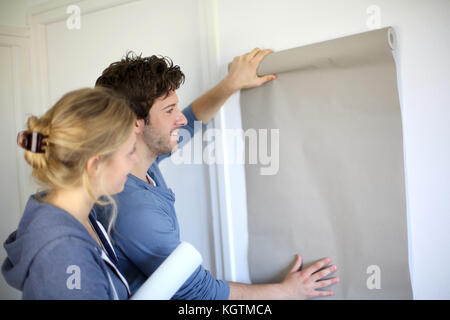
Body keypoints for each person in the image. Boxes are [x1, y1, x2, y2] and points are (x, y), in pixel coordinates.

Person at [95, 49, 340, 299]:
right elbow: (201, 293)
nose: (179, 118)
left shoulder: (135, 160)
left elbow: (190, 122)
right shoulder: (133, 207)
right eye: (169, 110)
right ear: (136, 122)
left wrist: (230, 84)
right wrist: (288, 291)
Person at [1, 87, 138, 299]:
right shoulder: (64, 253)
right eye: (130, 152)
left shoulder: (81, 217)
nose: (135, 160)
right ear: (95, 166)